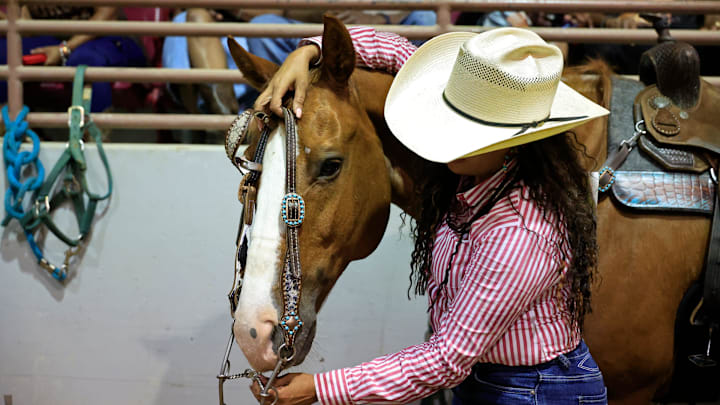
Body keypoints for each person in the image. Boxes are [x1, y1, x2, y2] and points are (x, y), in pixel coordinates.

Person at [252, 26, 609, 404]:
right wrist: (307, 53)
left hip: (535, 391)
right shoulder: (482, 177)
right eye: (451, 116)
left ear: (516, 145)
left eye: (475, 131)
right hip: (498, 382)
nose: (450, 135)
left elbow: (447, 358)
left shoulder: (520, 231)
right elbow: (391, 50)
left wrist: (321, 389)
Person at [162, 8, 436, 114]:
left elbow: (421, 8)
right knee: (191, 20)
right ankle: (222, 118)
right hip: (311, 31)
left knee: (426, 20)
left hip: (381, 29)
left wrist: (382, 19)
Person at [0, 6, 146, 112]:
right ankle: (11, 132)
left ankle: (94, 137)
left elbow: (108, 14)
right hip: (52, 39)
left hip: (105, 37)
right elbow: (25, 19)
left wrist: (64, 49)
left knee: (85, 60)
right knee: (5, 51)